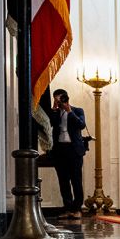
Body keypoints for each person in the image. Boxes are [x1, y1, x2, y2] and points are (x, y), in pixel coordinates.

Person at [48, 88, 89, 218]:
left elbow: (81, 125)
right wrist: (54, 109)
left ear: (67, 98)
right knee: (63, 181)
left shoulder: (77, 110)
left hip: (74, 150)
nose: (60, 102)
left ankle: (77, 209)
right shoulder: (55, 113)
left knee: (76, 180)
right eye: (57, 99)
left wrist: (69, 111)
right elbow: (52, 124)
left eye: (61, 99)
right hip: (60, 150)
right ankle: (68, 208)